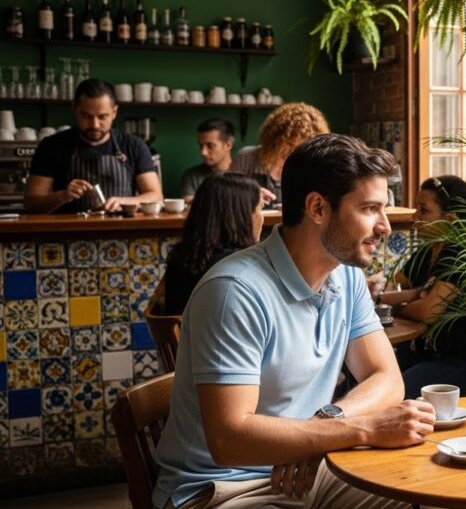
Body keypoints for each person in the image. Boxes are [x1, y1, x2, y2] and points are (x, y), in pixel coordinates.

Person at [153, 134, 434, 509]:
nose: (385, 226)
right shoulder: (235, 291)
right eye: (369, 209)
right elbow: (229, 440)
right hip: (222, 489)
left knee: (426, 497)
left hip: (311, 469)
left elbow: (387, 379)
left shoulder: (346, 275)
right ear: (318, 208)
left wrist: (325, 428)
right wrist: (356, 429)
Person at [369, 175, 466, 399]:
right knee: (363, 376)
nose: (415, 217)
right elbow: (393, 285)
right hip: (418, 353)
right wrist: (412, 297)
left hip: (454, 362)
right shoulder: (427, 251)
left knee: (386, 395)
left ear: (450, 219)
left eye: (423, 210)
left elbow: (428, 311)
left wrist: (393, 305)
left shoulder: (463, 254)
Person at [25, 78, 163, 214]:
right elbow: (31, 205)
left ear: (114, 112)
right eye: (86, 116)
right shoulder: (51, 146)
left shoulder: (134, 146)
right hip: (67, 234)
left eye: (102, 117)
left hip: (121, 233)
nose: (94, 125)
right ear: (74, 109)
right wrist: (62, 196)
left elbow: (156, 197)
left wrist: (123, 201)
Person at [163, 173, 262, 315]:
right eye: (260, 209)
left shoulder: (180, 255)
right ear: (243, 216)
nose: (261, 217)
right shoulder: (240, 266)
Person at [230, 102, 329, 206]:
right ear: (274, 138)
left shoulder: (310, 166)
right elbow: (226, 194)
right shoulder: (247, 157)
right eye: (289, 144)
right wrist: (250, 194)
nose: (293, 151)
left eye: (301, 147)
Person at [180, 119, 235, 203]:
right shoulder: (192, 176)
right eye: (201, 145)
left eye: (210, 146)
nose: (203, 152)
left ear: (228, 145)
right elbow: (189, 207)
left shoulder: (244, 174)